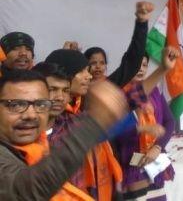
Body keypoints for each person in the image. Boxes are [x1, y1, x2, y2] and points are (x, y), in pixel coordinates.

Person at [0, 68, 129, 200]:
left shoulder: (42, 145)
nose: (31, 115)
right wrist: (95, 123)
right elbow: (27, 191)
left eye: (41, 104)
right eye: (16, 105)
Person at [46, 48, 123, 200]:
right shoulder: (50, 123)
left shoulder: (76, 113)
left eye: (64, 90)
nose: (89, 76)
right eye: (82, 71)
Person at [116, 49, 178, 201]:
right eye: (136, 64)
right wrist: (141, 129)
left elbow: (170, 122)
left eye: (144, 65)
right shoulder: (116, 94)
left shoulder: (155, 91)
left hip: (154, 161)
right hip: (130, 162)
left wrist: (157, 147)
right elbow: (113, 131)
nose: (141, 69)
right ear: (126, 66)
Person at [84, 1, 154, 86]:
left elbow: (131, 64)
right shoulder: (76, 87)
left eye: (102, 63)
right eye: (93, 63)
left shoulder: (108, 86)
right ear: (84, 67)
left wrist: (142, 23)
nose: (98, 67)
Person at [33, 62, 72, 135]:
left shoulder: (74, 129)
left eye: (65, 91)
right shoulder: (15, 130)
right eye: (52, 90)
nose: (60, 98)